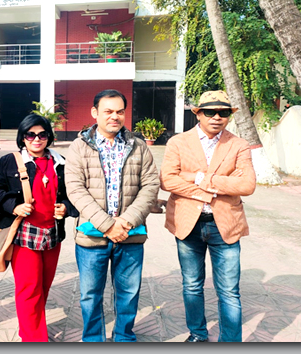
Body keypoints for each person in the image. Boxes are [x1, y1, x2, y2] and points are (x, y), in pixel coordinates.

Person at [160, 90, 256, 343]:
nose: (217, 117)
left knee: (229, 291)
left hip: (225, 225)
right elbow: (167, 180)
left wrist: (198, 178)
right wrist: (214, 190)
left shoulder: (238, 145)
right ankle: (198, 335)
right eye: (210, 111)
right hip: (187, 225)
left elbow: (247, 185)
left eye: (223, 112)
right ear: (198, 114)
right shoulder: (178, 142)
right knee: (192, 285)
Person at [65, 89, 160, 342]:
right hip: (92, 236)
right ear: (95, 113)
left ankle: (124, 338)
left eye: (119, 111)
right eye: (108, 111)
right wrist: (107, 225)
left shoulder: (138, 146)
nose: (114, 116)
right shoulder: (78, 147)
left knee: (128, 293)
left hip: (130, 234)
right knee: (90, 295)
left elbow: (151, 185)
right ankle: (93, 340)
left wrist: (126, 221)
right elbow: (75, 189)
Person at [0, 114, 78, 342]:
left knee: (44, 286)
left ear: (49, 137)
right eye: (30, 135)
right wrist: (14, 206)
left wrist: (65, 208)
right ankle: (34, 338)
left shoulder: (61, 163)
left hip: (52, 234)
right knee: (29, 288)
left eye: (42, 135)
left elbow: (74, 193)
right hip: (24, 234)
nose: (36, 139)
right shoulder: (9, 161)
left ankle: (30, 327)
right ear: (23, 137)